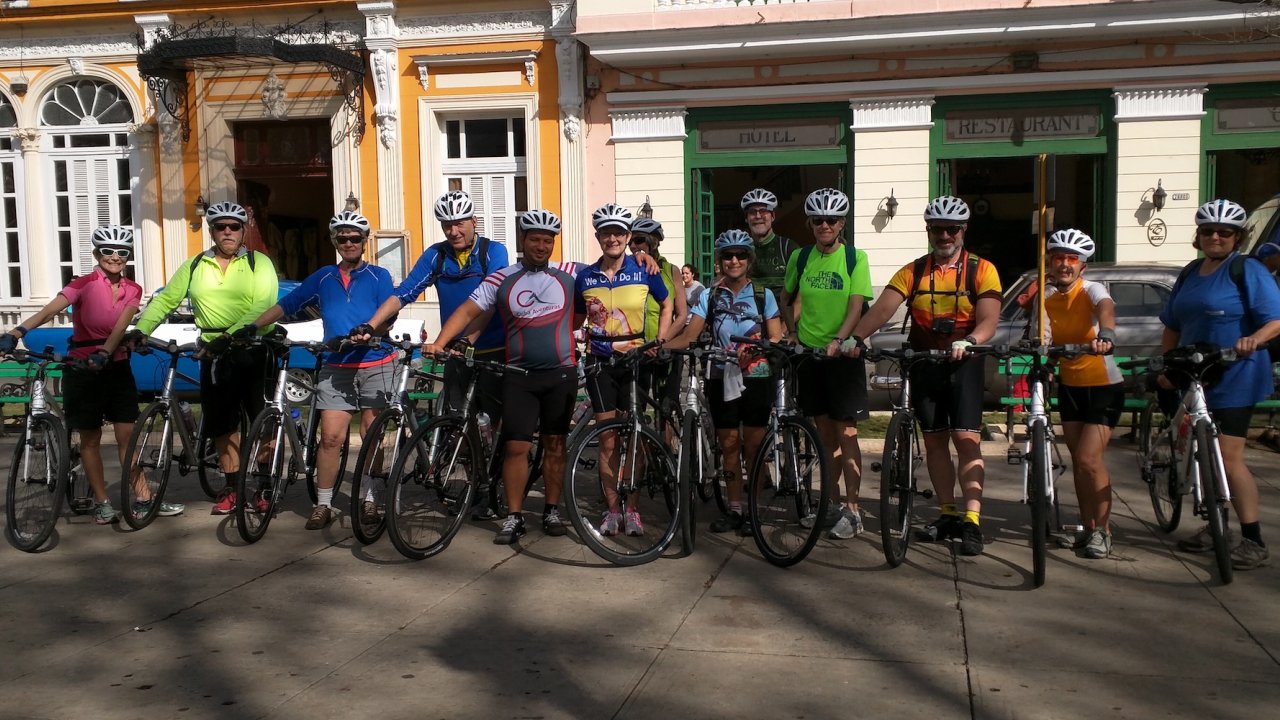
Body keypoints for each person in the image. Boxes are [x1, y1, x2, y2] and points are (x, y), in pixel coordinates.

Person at [849, 196, 1002, 556]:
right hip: (924, 359)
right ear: (929, 231)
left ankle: (972, 520)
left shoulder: (982, 269)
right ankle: (947, 513)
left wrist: (971, 340)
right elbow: (884, 308)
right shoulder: (913, 270)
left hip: (964, 360)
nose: (945, 235)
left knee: (966, 440)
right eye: (938, 229)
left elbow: (990, 320)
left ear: (963, 231)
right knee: (933, 441)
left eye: (952, 229)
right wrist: (856, 337)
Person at [0, 226, 181, 524]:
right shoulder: (82, 284)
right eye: (107, 251)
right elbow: (48, 311)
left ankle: (143, 497)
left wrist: (107, 353)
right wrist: (17, 332)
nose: (114, 257)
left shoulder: (133, 289)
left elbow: (122, 325)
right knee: (90, 439)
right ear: (97, 254)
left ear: (128, 257)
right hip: (82, 370)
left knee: (128, 437)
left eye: (121, 252)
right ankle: (102, 501)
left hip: (116, 368)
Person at [424, 210, 581, 544]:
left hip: (560, 374)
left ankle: (552, 509)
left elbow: (609, 273)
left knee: (555, 444)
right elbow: (467, 311)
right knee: (515, 446)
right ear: (523, 240)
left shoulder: (570, 272)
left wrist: (642, 255)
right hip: (519, 375)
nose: (542, 246)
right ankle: (514, 516)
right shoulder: (502, 278)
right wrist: (439, 342)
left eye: (548, 240)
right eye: (535, 239)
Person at [353, 190, 509, 518]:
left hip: (493, 349)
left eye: (460, 223)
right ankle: (471, 482)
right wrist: (370, 324)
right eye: (447, 225)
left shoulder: (493, 252)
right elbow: (404, 292)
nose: (453, 231)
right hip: (455, 351)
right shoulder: (437, 256)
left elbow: (492, 300)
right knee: (458, 422)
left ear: (473, 222)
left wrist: (469, 338)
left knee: (497, 424)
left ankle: (498, 487)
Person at [239, 211, 394, 531]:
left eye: (354, 238)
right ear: (334, 242)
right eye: (342, 238)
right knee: (330, 439)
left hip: (375, 363)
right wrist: (253, 326)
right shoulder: (324, 276)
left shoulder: (380, 276)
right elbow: (289, 303)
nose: (348, 243)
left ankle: (369, 499)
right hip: (336, 366)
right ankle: (323, 504)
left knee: (371, 434)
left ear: (364, 242)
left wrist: (371, 331)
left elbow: (387, 314)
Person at [132, 202, 279, 514]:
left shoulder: (258, 262)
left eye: (234, 227)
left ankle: (264, 486)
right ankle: (233, 486)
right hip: (212, 352)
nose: (227, 231)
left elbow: (264, 305)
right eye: (220, 226)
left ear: (243, 231)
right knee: (222, 425)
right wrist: (141, 328)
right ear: (211, 231)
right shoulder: (196, 264)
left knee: (263, 422)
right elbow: (167, 300)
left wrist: (231, 336)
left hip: (253, 349)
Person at [1162, 199, 1280, 570]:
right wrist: (1168, 364)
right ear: (1198, 236)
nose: (1215, 237)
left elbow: (1275, 320)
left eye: (1224, 232)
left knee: (1228, 458)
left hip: (1236, 373)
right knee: (1201, 452)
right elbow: (1172, 325)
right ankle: (1216, 527)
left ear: (1237, 237)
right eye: (1208, 231)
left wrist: (1254, 340)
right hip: (1195, 372)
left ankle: (1253, 539)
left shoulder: (1248, 270)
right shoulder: (1190, 272)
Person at [668, 230, 782, 534]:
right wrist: (661, 347)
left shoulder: (763, 294)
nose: (734, 260)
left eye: (740, 255)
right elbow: (691, 335)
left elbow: (775, 336)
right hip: (719, 373)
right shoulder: (710, 295)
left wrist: (760, 345)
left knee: (753, 447)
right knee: (729, 445)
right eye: (728, 255)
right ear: (720, 261)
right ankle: (734, 509)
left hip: (756, 374)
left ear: (749, 259)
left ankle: (754, 511)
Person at [576, 202, 672, 537]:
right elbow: (577, 317)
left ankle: (633, 509)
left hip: (636, 360)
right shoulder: (585, 275)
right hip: (601, 361)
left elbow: (667, 301)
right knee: (607, 440)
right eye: (606, 233)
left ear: (628, 236)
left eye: (619, 232)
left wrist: (661, 336)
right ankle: (612, 509)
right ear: (599, 237)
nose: (613, 238)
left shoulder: (645, 269)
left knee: (634, 438)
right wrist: (577, 336)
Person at [782, 188, 872, 539]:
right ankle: (829, 504)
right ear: (810, 223)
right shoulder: (801, 257)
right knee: (823, 435)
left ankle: (853, 509)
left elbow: (856, 304)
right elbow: (785, 296)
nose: (824, 225)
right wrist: (791, 331)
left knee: (846, 432)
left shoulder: (854, 258)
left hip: (843, 355)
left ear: (842, 223)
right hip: (809, 355)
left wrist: (840, 340)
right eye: (818, 220)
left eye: (831, 220)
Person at [1040, 229, 1121, 559]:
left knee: (1090, 459)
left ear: (1082, 266)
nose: (1064, 264)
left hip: (1104, 387)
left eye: (1072, 259)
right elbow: (1041, 331)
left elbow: (1105, 307)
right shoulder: (1045, 294)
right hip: (1071, 387)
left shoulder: (1092, 288)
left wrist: (1107, 333)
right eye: (1059, 257)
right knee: (1079, 462)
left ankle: (1104, 530)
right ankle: (1088, 528)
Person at [630, 217, 687, 422]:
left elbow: (681, 315)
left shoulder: (671, 270)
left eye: (638, 240)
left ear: (653, 242)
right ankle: (641, 453)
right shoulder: (627, 268)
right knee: (636, 409)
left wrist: (662, 342)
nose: (633, 245)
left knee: (666, 407)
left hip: (666, 346)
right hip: (637, 348)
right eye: (631, 241)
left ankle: (667, 450)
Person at [741, 188, 794, 331]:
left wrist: (784, 330)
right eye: (752, 212)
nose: (758, 216)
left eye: (763, 211)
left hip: (782, 326)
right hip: (749, 326)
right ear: (746, 218)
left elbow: (801, 297)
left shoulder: (788, 248)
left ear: (773, 216)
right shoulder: (740, 251)